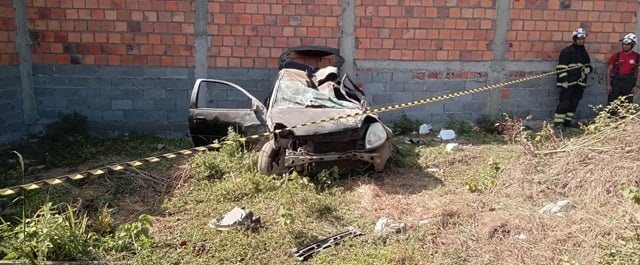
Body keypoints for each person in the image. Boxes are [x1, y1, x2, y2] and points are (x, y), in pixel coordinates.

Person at [553, 27, 592, 128]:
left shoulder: (584, 52)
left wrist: (589, 69)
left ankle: (567, 122)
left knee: (574, 103)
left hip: (579, 83)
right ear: (574, 39)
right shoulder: (567, 51)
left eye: (583, 39)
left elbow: (587, 64)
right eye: (579, 39)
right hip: (568, 83)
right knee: (564, 103)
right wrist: (564, 80)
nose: (581, 41)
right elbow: (561, 67)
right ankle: (558, 123)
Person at [606, 33, 640, 105]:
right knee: (612, 104)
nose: (626, 46)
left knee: (626, 105)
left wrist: (637, 86)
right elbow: (609, 70)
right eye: (624, 44)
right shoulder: (616, 56)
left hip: (629, 83)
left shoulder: (637, 57)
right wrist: (608, 85)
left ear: (632, 45)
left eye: (628, 44)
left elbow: (639, 72)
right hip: (616, 82)